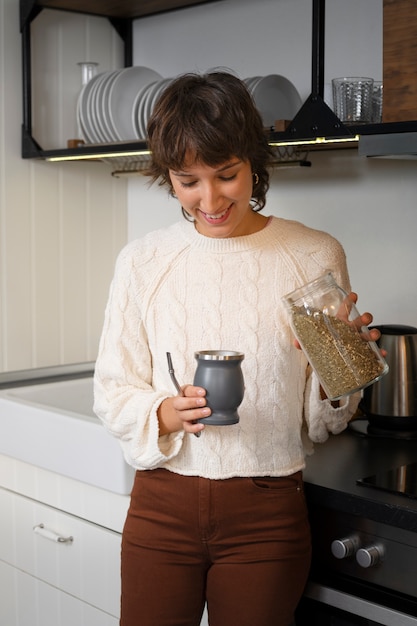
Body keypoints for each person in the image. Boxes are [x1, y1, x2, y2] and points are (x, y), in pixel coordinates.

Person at [93, 71, 381, 626]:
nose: (210, 199)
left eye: (226, 175)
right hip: (161, 509)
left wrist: (342, 371)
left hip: (267, 513)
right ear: (168, 179)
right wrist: (163, 412)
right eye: (187, 181)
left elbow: (326, 422)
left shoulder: (313, 254)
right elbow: (112, 390)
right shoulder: (142, 262)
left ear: (253, 161)